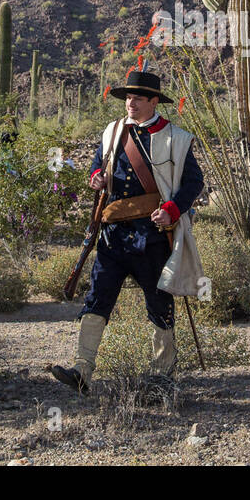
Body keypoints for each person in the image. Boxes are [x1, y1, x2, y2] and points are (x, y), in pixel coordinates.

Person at [50, 71, 204, 393]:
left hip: (152, 236)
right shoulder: (113, 131)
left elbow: (193, 182)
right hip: (112, 235)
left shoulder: (177, 138)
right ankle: (82, 370)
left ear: (153, 102)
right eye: (128, 98)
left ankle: (162, 375)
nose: (130, 104)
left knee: (158, 303)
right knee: (97, 298)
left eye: (137, 99)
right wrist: (96, 176)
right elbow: (98, 163)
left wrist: (172, 210)